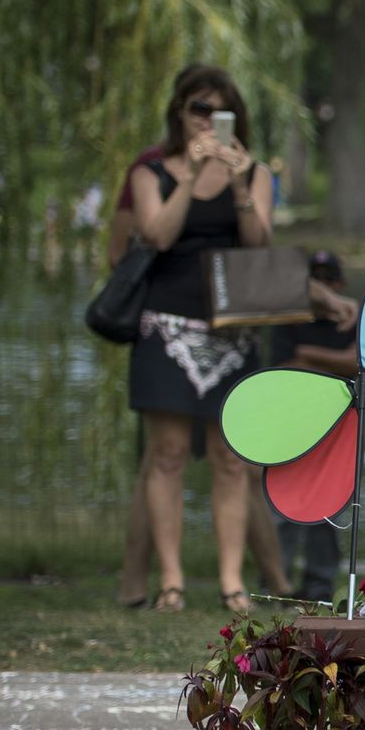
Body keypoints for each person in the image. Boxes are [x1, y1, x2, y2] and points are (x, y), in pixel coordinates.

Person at [125, 65, 274, 614]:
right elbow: (157, 235)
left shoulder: (254, 171)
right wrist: (190, 174)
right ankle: (171, 581)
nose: (208, 121)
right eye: (199, 110)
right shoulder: (150, 172)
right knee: (165, 454)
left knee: (231, 458)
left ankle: (232, 581)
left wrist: (236, 184)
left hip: (232, 331)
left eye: (220, 111)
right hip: (166, 326)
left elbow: (259, 243)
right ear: (179, 113)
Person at [271, 249, 360, 602]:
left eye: (329, 277)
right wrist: (331, 367)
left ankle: (320, 582)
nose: (322, 285)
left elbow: (357, 362)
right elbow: (280, 369)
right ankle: (277, 578)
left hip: (337, 423)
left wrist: (307, 356)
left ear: (340, 283)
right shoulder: (289, 317)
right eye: (315, 278)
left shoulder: (353, 317)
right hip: (291, 419)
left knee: (330, 505)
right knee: (283, 503)